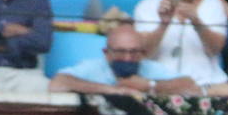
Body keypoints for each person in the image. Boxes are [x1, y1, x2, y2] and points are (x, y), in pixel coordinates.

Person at [135, 0, 228, 88]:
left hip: (205, 82)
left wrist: (197, 21)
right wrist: (163, 24)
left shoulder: (213, 5)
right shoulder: (146, 6)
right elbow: (145, 53)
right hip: (161, 84)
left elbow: (215, 49)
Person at [48, 24, 199, 95]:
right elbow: (57, 82)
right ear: (107, 53)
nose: (127, 58)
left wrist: (149, 85)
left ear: (142, 53)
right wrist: (114, 90)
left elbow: (191, 86)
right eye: (121, 52)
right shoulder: (93, 67)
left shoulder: (148, 67)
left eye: (133, 52)